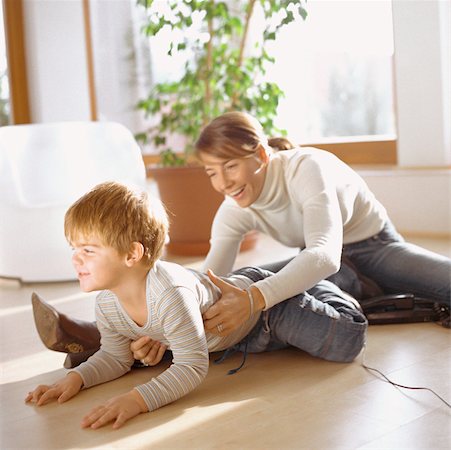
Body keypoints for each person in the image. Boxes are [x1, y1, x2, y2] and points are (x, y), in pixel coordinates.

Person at [26, 181, 367, 430]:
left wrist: (136, 400)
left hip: (265, 316)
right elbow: (117, 356)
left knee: (345, 341)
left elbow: (191, 366)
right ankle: (290, 275)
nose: (75, 259)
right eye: (73, 247)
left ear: (132, 254)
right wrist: (77, 380)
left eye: (88, 250)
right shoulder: (107, 303)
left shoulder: (168, 293)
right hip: (227, 337)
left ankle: (321, 281)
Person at [193, 111, 450, 337]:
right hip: (321, 265)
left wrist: (253, 299)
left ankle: (369, 287)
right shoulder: (232, 208)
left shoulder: (305, 169)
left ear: (260, 155)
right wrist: (165, 326)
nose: (223, 183)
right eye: (212, 172)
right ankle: (362, 287)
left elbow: (325, 255)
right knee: (238, 281)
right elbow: (210, 280)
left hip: (373, 248)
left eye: (230, 166)